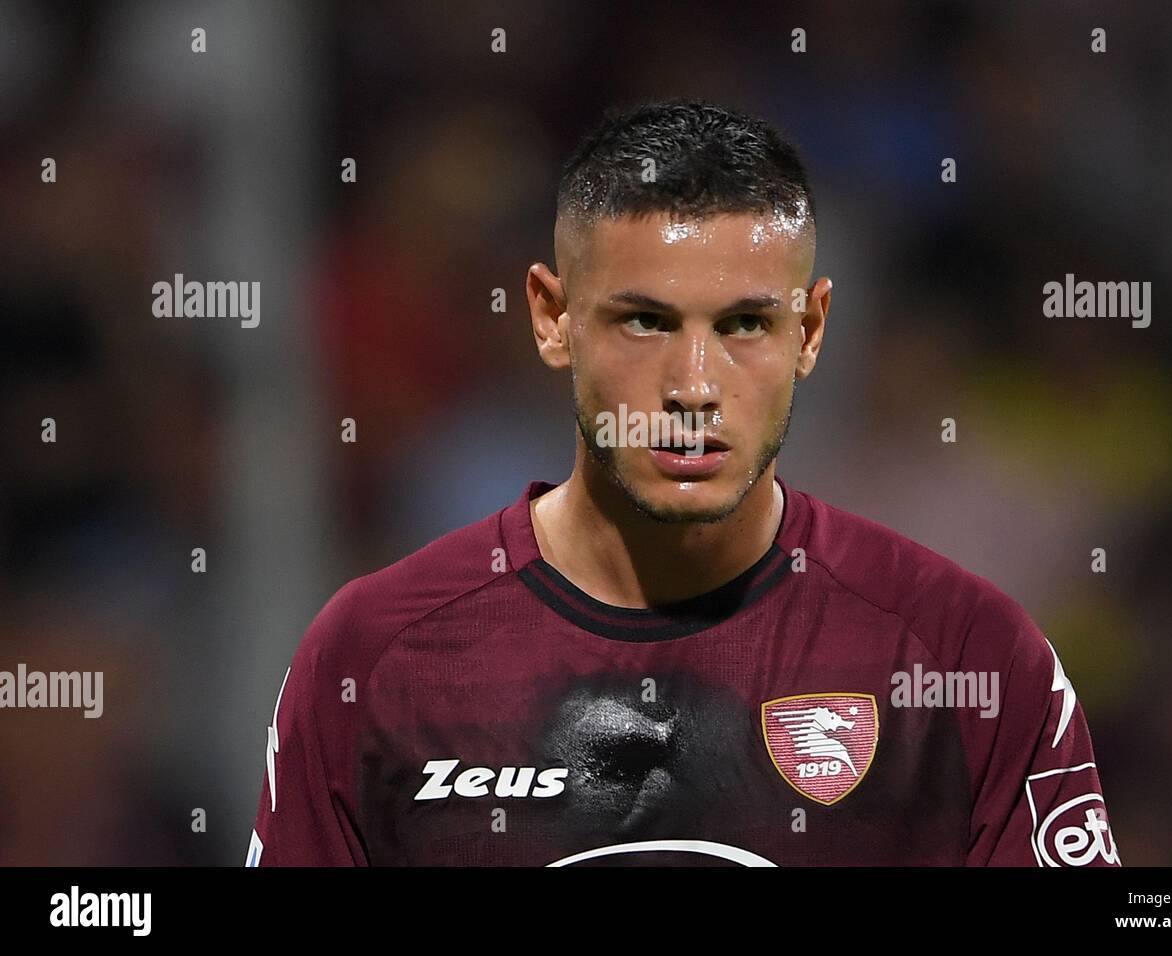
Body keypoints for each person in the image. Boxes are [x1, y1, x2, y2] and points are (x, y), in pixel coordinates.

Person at [247, 97, 1119, 867]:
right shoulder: (373, 659)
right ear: (552, 319)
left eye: (745, 323)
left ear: (812, 331)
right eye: (643, 321)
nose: (694, 384)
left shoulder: (967, 658)